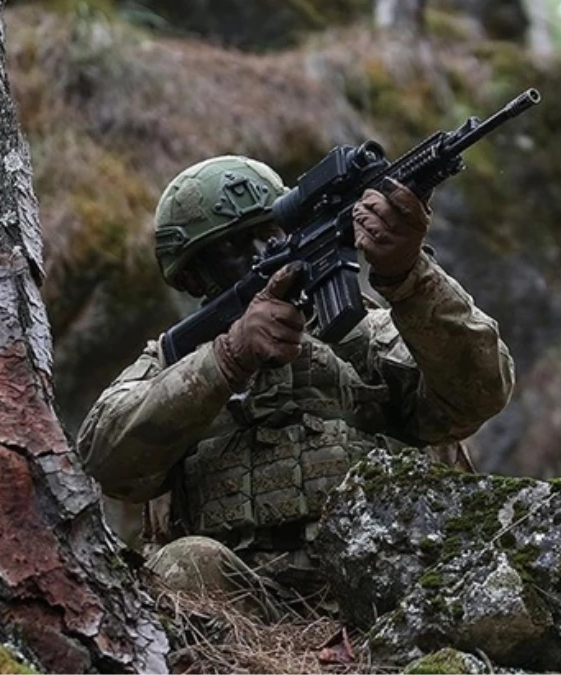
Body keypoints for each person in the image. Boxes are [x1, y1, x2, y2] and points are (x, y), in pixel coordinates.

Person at [75, 155, 514, 599]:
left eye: (270, 234)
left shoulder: (372, 332)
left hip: (381, 592)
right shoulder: (174, 361)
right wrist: (227, 358)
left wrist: (408, 274)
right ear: (192, 277)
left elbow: (482, 390)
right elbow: (104, 460)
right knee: (184, 564)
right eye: (232, 247)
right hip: (242, 607)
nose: (259, 255)